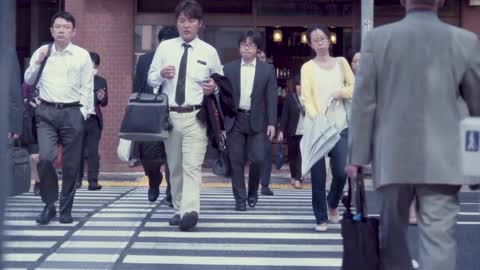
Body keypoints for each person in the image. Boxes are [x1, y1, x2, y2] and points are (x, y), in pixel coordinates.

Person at [345, 0, 480, 269]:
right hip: (444, 160)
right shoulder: (465, 41)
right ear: (440, 1)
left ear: (402, 1)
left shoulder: (377, 39)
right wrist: (474, 166)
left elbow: (364, 103)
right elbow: (477, 109)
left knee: (392, 239)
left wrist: (356, 157)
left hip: (392, 157)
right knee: (439, 240)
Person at [148, 0, 222, 231]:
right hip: (170, 117)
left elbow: (221, 83)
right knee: (175, 166)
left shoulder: (209, 52)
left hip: (195, 116)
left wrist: (214, 87)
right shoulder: (165, 48)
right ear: (177, 22)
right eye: (182, 20)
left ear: (199, 24)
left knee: (192, 166)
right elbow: (150, 79)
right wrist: (160, 74)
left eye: (191, 20)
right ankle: (179, 209)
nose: (186, 25)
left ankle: (191, 211)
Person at [24, 11, 94, 225]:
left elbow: (87, 88)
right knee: (45, 158)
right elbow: (28, 79)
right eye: (57, 26)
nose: (61, 30)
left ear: (74, 32)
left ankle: (66, 209)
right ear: (51, 31)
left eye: (66, 27)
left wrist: (82, 115)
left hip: (73, 112)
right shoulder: (43, 51)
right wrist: (37, 62)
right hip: (46, 112)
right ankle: (49, 204)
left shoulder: (82, 55)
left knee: (72, 165)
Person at [301, 25, 355, 232]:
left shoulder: (341, 63)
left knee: (341, 173)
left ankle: (333, 203)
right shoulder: (307, 67)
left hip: (340, 126)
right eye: (315, 40)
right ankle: (321, 218)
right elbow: (306, 96)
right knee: (318, 177)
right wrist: (317, 119)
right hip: (317, 128)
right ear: (310, 44)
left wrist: (341, 92)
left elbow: (354, 87)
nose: (320, 43)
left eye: (322, 38)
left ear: (329, 40)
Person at [223, 31, 277, 211]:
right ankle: (240, 199)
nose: (247, 47)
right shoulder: (228, 69)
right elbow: (223, 97)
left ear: (257, 48)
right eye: (243, 44)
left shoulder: (267, 69)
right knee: (236, 161)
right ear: (239, 47)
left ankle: (253, 191)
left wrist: (272, 122)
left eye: (251, 44)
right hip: (235, 119)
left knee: (258, 159)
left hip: (258, 121)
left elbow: (271, 98)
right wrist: (223, 123)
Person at [133, 27, 178, 206]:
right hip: (149, 116)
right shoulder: (145, 60)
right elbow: (137, 88)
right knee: (149, 157)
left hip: (173, 114)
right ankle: (154, 180)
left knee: (172, 156)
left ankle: (171, 193)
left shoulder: (181, 61)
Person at [76, 52, 108, 191]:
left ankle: (93, 181)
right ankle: (77, 180)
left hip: (94, 120)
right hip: (78, 119)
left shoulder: (101, 81)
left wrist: (102, 97)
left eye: (95, 66)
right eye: (91, 66)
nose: (93, 69)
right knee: (78, 151)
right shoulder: (77, 79)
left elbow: (105, 102)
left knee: (93, 152)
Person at [278, 74, 304, 189]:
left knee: (301, 155)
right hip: (292, 132)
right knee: (292, 155)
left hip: (305, 133)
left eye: (302, 85)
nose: (300, 87)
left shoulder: (309, 99)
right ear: (295, 86)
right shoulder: (290, 99)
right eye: (298, 85)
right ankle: (294, 175)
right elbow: (284, 117)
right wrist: (281, 131)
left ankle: (298, 178)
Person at [256, 48, 274, 196]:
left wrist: (273, 123)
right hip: (247, 120)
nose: (261, 59)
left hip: (265, 121)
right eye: (259, 57)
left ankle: (265, 184)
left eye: (263, 57)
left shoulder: (269, 72)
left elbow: (272, 99)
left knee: (266, 154)